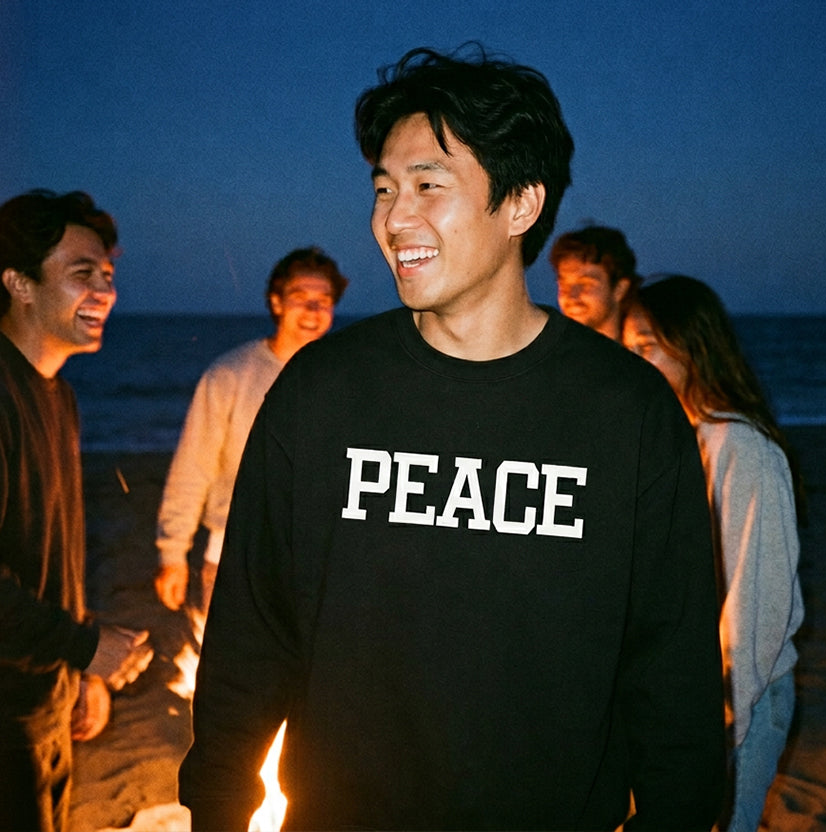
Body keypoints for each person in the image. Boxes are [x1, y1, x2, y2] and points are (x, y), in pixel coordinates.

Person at [179, 44, 725, 831]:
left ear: (520, 205)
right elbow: (252, 636)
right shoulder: (320, 394)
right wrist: (219, 809)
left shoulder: (627, 413)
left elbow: (671, 669)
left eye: (428, 186)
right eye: (383, 189)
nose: (394, 219)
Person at [621, 275, 805, 832]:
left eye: (646, 347)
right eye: (629, 349)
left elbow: (755, 607)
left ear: (692, 346)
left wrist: (725, 720)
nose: (634, 364)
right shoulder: (687, 438)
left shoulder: (740, 447)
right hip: (690, 696)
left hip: (737, 696)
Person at [0, 190, 153, 832]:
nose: (103, 292)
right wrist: (85, 646)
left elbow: (53, 553)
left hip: (46, 700)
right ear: (18, 283)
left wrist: (82, 669)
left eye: (109, 276)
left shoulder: (57, 395)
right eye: (81, 274)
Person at [154, 247, 348, 614]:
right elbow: (193, 467)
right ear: (276, 303)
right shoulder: (230, 374)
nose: (312, 311)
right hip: (235, 558)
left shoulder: (346, 379)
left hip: (319, 564)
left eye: (323, 301)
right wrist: (173, 553)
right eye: (299, 298)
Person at [549, 225, 641, 340]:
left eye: (585, 284)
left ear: (619, 289)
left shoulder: (647, 354)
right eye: (564, 285)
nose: (572, 296)